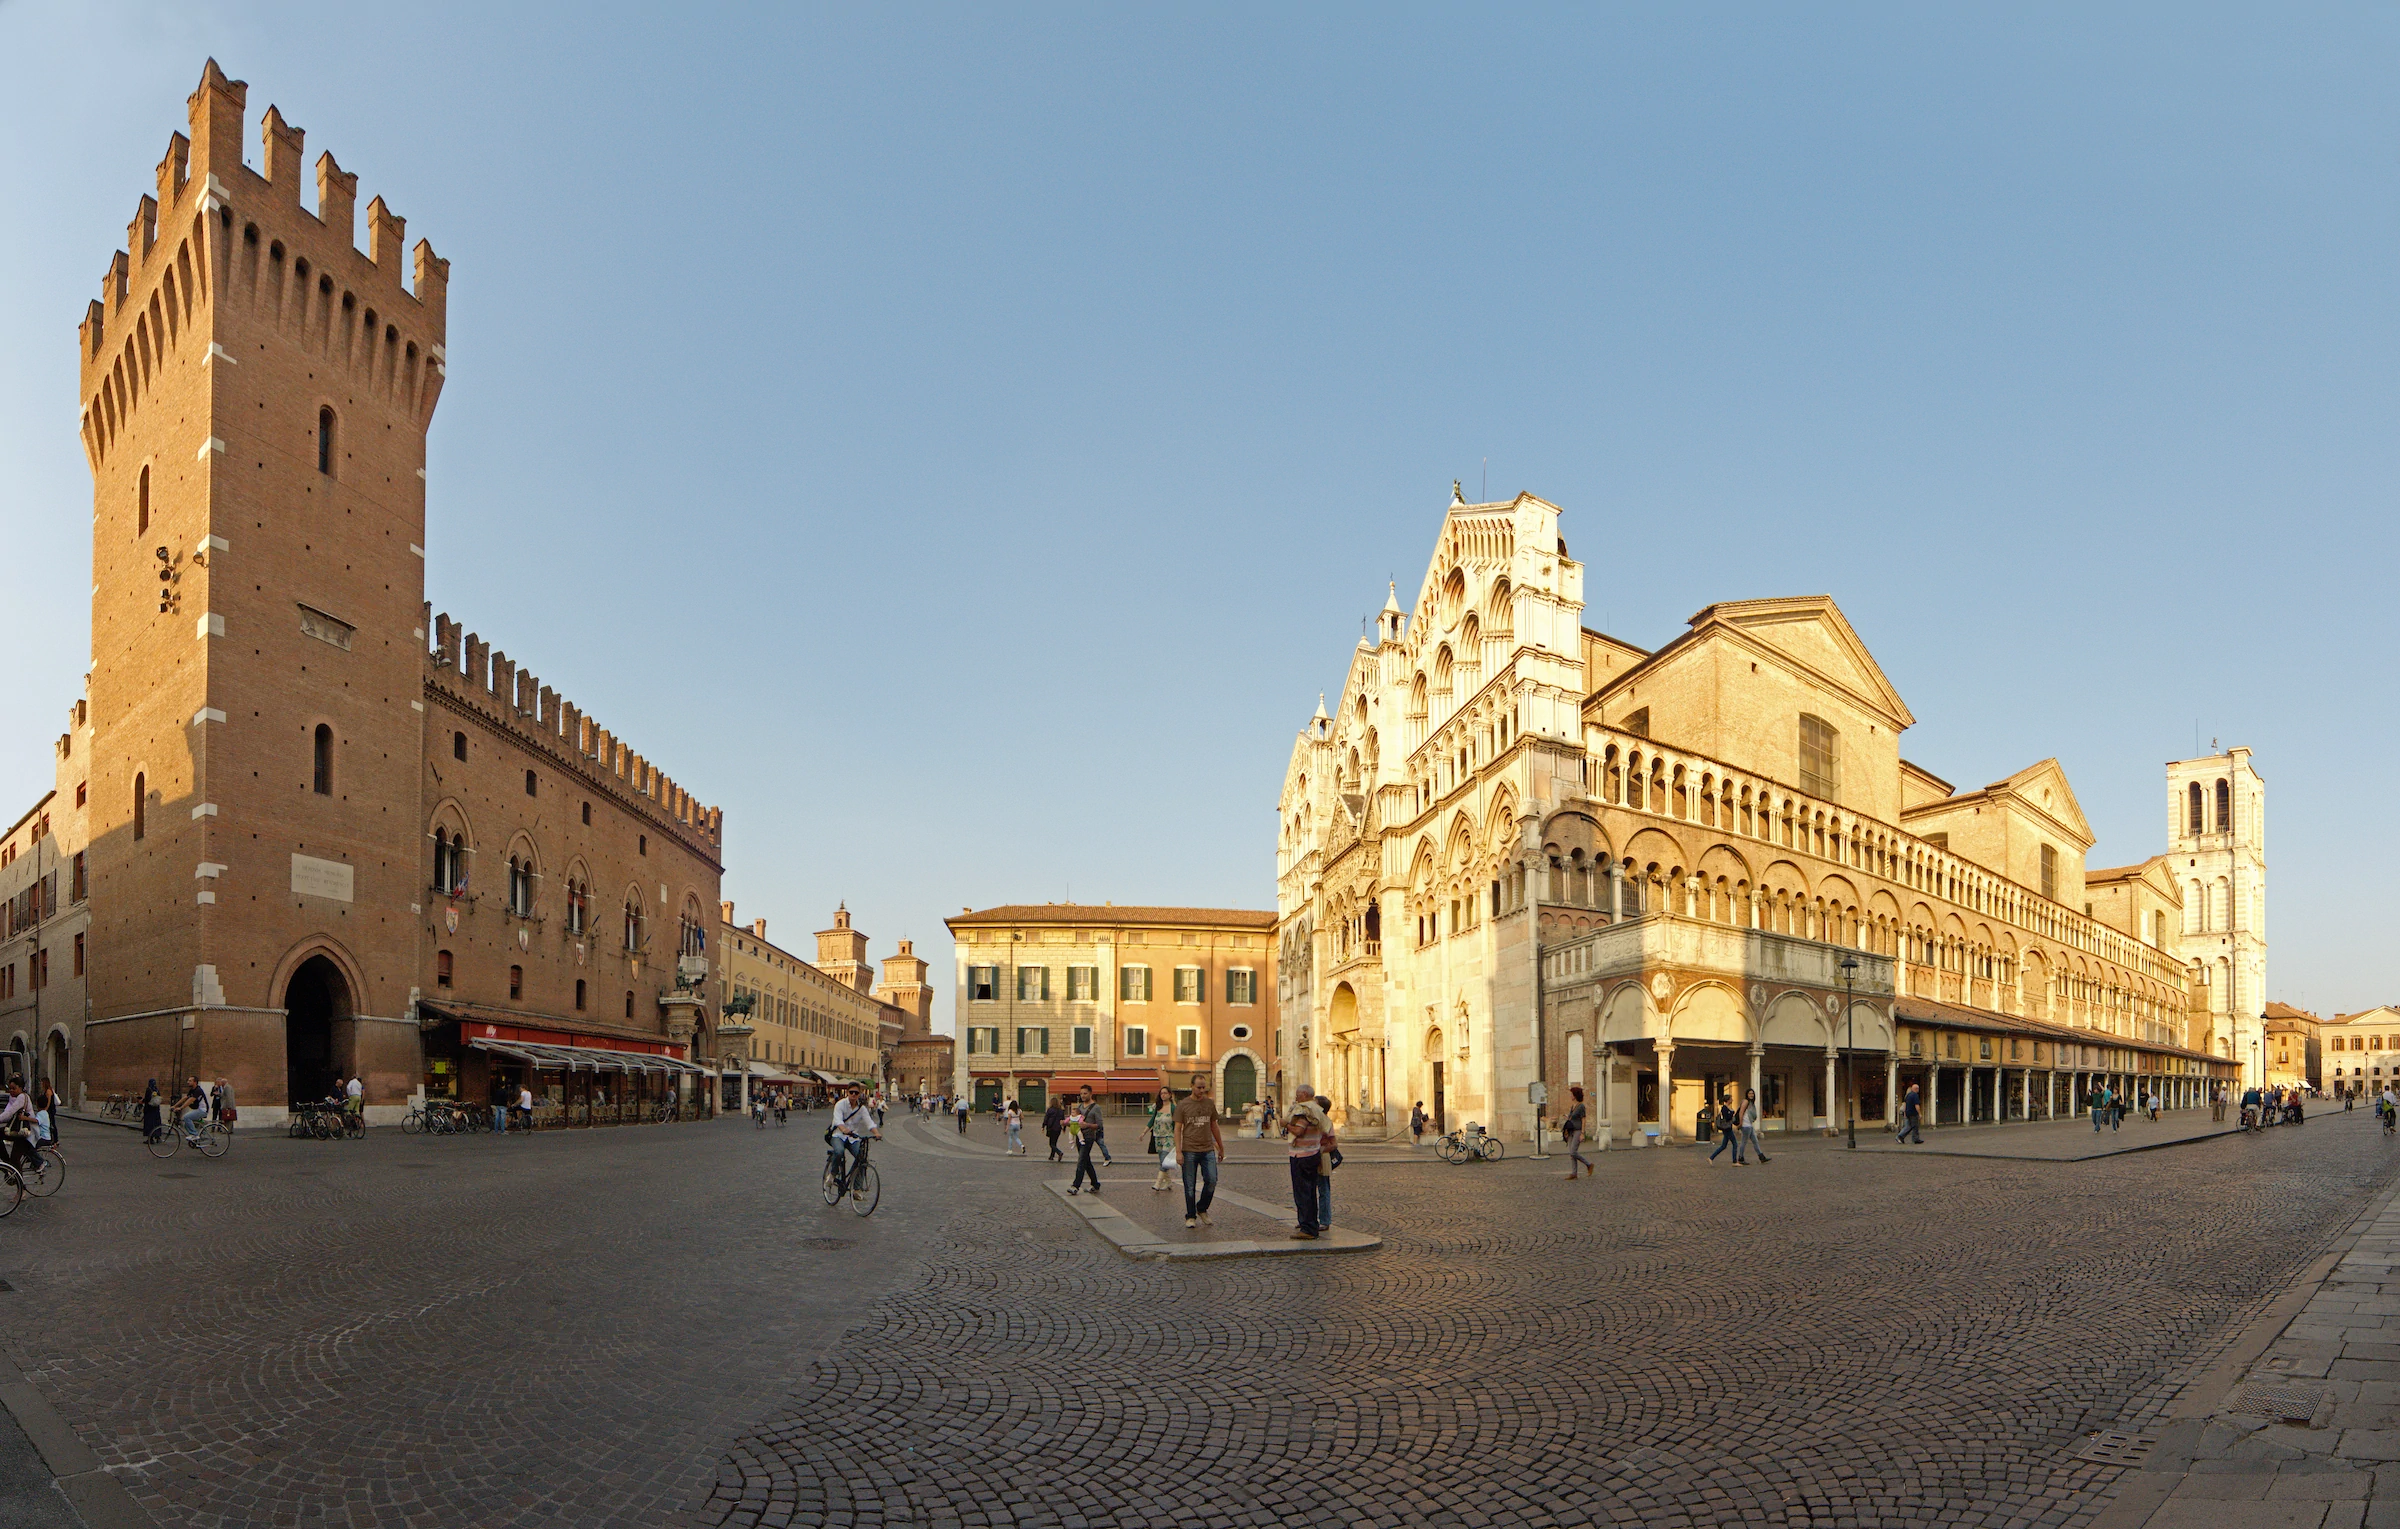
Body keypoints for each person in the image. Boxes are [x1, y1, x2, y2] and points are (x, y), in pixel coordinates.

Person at [1172, 1074, 1226, 1229]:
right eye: (1199, 1087)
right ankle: (1190, 1216)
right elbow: (1177, 1129)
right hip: (1189, 1150)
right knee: (1189, 1185)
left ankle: (1202, 1208)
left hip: (1207, 1148)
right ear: (1192, 1086)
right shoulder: (1183, 1105)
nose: (1202, 1090)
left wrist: (1220, 1147)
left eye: (1204, 1087)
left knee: (1212, 1180)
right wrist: (1178, 1151)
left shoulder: (1209, 1104)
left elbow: (1214, 1126)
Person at [1285, 1085, 1331, 1238]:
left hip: (1302, 1156)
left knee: (1302, 1192)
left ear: (1304, 1094)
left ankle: (1307, 1228)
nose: (1296, 1096)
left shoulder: (1304, 1110)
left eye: (1298, 1094)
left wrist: (1286, 1125)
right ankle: (1312, 1224)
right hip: (1313, 1153)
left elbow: (1299, 1131)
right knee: (1310, 1192)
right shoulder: (1317, 1109)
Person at [831, 1083, 881, 1182]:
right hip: (838, 1135)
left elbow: (869, 1122)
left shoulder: (861, 1109)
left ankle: (857, 1189)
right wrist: (844, 1129)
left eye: (856, 1093)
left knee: (862, 1159)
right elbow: (838, 1120)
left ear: (859, 1094)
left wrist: (876, 1133)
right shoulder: (840, 1104)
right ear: (847, 1092)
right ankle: (833, 1174)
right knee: (839, 1151)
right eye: (851, 1092)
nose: (853, 1094)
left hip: (853, 1137)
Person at [1067, 1090, 1103, 1196]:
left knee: (1081, 1160)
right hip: (1079, 1136)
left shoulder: (1096, 1108)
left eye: (1085, 1093)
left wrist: (1088, 1125)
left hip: (1088, 1137)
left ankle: (1075, 1186)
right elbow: (1075, 1122)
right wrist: (1068, 1124)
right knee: (1086, 1161)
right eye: (1081, 1093)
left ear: (1090, 1094)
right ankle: (1095, 1184)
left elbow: (1099, 1125)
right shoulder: (1080, 1107)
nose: (1082, 1095)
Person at [0, 1082, 39, 1179]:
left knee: (15, 1159)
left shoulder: (22, 1097)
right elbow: (8, 1116)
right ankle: (8, 1167)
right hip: (19, 1131)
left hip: (26, 1133)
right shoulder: (16, 1098)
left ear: (21, 1088)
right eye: (10, 1088)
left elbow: (9, 1112)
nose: (11, 1090)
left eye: (14, 1088)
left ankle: (21, 1188)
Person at [1146, 1088, 1177, 1191]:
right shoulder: (1158, 1107)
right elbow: (1152, 1121)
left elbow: (1177, 1124)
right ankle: (1168, 1183)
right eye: (1161, 1093)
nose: (1163, 1095)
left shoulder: (1173, 1108)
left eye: (1165, 1093)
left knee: (1164, 1161)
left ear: (1169, 1095)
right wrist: (1144, 1132)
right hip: (1157, 1137)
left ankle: (1158, 1183)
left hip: (1169, 1137)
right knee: (1163, 1161)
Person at [1561, 1084, 1592, 1179]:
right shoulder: (1573, 1106)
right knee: (1571, 1153)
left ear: (1575, 1095)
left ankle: (1589, 1164)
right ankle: (1574, 1173)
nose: (1570, 1096)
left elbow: (1583, 1119)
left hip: (1578, 1130)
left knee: (1573, 1152)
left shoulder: (1581, 1106)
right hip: (1571, 1130)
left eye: (1571, 1094)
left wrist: (1582, 1133)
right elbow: (1571, 1117)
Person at [1707, 1092, 1742, 1164]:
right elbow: (1727, 1118)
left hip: (1728, 1128)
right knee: (1735, 1144)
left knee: (1723, 1146)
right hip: (1727, 1129)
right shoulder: (1724, 1108)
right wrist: (1732, 1114)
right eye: (1731, 1099)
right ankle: (1734, 1161)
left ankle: (1711, 1158)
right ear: (1728, 1100)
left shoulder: (1728, 1108)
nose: (1732, 1100)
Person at [1740, 1088, 1771, 1164]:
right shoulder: (1746, 1101)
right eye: (1750, 1093)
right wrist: (1740, 1123)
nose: (1751, 1095)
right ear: (1747, 1094)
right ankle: (1740, 1158)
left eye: (1752, 1093)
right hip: (1745, 1125)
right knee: (1744, 1142)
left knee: (1755, 1141)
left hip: (1749, 1125)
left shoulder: (1751, 1103)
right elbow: (1741, 1112)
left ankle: (1761, 1156)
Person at [178, 1076, 208, 1146]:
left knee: (186, 1117)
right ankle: (195, 1136)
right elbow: (185, 1098)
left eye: (190, 1081)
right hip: (198, 1109)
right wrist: (175, 1106)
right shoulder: (192, 1090)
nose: (188, 1082)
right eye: (188, 1080)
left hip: (203, 1110)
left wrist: (181, 1108)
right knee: (186, 1123)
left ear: (195, 1082)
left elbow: (190, 1100)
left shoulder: (198, 1090)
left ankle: (194, 1135)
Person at [140, 1078, 162, 1145]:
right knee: (156, 1123)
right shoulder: (157, 1090)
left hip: (149, 1109)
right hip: (156, 1109)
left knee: (149, 1124)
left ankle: (151, 1138)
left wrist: (142, 1101)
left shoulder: (149, 1089)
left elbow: (147, 1098)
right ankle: (158, 1137)